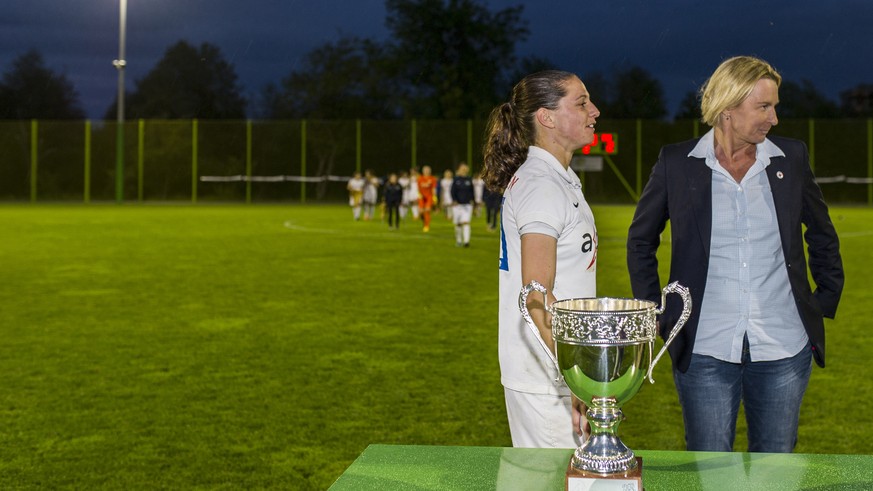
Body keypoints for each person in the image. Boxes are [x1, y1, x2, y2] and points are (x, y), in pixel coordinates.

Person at [626, 56, 844, 453]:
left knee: (774, 473)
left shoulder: (790, 158)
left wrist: (824, 298)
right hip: (704, 346)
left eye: (775, 106)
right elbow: (641, 239)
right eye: (764, 107)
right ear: (728, 108)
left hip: (783, 346)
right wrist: (654, 311)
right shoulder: (677, 163)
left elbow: (822, 232)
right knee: (710, 473)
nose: (774, 118)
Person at [481, 70, 600, 448]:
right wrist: (576, 375)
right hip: (548, 378)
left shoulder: (556, 177)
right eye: (581, 102)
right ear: (546, 117)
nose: (594, 111)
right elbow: (536, 296)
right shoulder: (541, 184)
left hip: (552, 370)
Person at [450, 162, 474, 247]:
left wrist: (472, 200)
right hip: (457, 205)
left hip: (467, 205)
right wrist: (454, 200)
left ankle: (466, 242)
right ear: (459, 169)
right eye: (462, 168)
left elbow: (472, 191)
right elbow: (452, 191)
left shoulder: (469, 179)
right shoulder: (456, 179)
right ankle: (459, 240)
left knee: (466, 222)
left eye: (465, 168)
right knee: (458, 224)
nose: (464, 169)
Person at [417, 165, 438, 232]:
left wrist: (434, 196)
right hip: (421, 196)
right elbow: (418, 188)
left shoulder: (432, 179)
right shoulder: (420, 178)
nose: (426, 171)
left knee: (427, 210)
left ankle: (426, 226)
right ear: (423, 171)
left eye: (428, 170)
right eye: (425, 170)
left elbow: (434, 188)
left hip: (429, 196)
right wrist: (419, 194)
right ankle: (424, 221)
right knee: (421, 212)